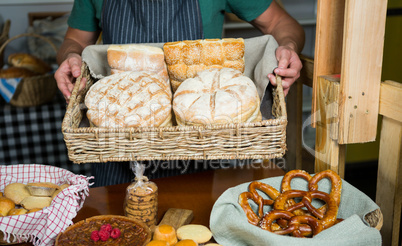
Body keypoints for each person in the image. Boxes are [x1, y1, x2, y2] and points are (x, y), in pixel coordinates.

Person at [55, 0, 305, 187]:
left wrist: (289, 47)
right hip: (116, 148)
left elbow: (281, 23)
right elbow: (75, 40)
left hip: (202, 153)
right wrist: (70, 57)